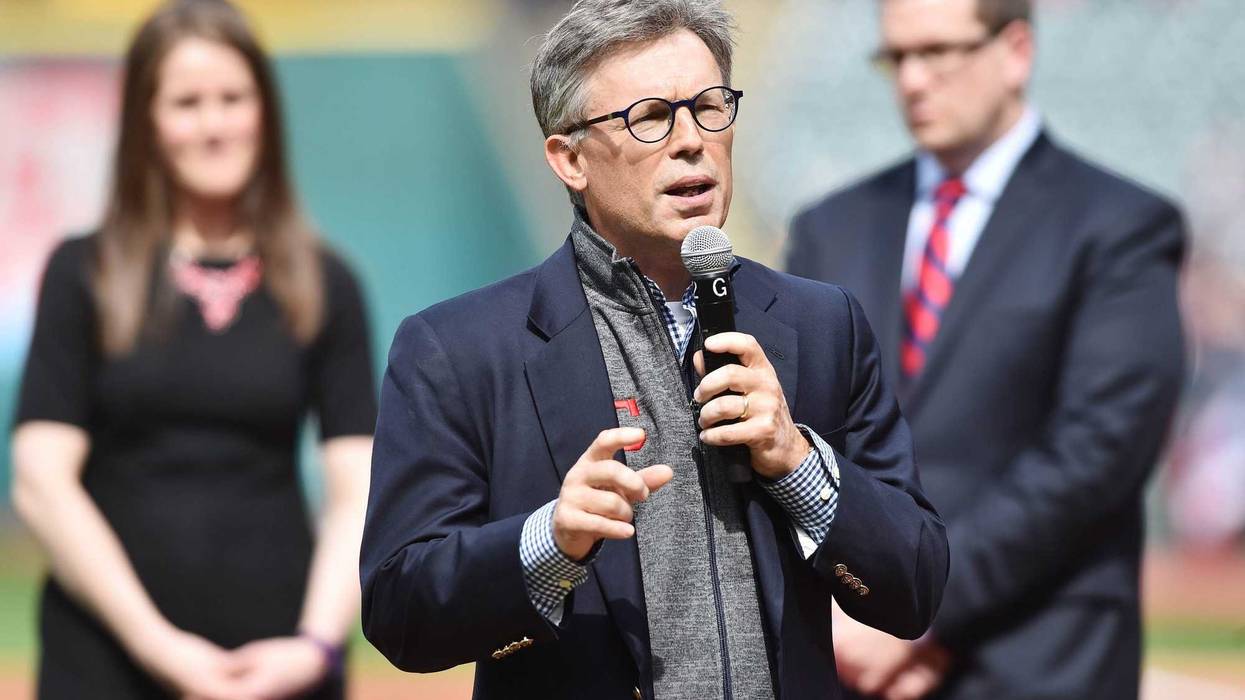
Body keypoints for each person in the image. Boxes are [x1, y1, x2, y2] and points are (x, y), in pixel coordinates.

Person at [360, 1, 948, 699]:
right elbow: (400, 612)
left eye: (709, 107)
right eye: (650, 117)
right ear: (570, 159)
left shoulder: (822, 324)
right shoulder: (459, 350)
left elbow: (915, 585)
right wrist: (549, 542)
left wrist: (796, 462)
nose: (691, 140)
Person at [787, 0, 1185, 698]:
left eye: (938, 52)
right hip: (852, 658)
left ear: (1015, 51)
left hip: (1038, 659)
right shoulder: (830, 228)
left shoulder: (1120, 226)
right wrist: (857, 608)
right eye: (896, 56)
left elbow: (1095, 453)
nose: (912, 80)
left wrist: (923, 609)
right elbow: (801, 437)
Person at [10, 2, 376, 698]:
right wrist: (160, 646)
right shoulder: (83, 271)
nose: (214, 125)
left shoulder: (326, 282)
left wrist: (315, 645)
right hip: (106, 665)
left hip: (280, 665)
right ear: (145, 122)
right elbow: (40, 481)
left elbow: (358, 488)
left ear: (264, 111)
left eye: (233, 98)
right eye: (186, 103)